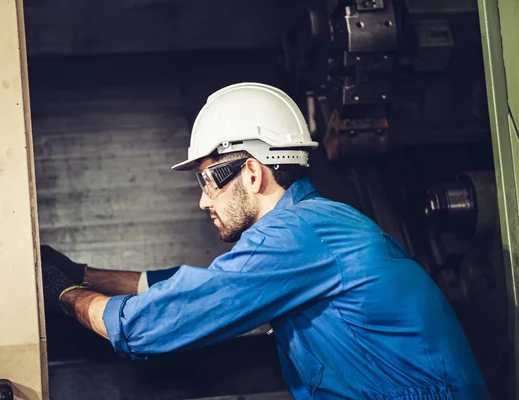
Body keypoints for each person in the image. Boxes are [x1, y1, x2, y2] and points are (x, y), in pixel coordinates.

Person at [41, 83, 489, 399]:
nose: (202, 202)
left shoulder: (298, 235)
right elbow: (197, 287)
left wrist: (65, 295)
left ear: (252, 173)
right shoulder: (313, 226)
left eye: (207, 183)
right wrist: (84, 274)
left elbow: (148, 325)